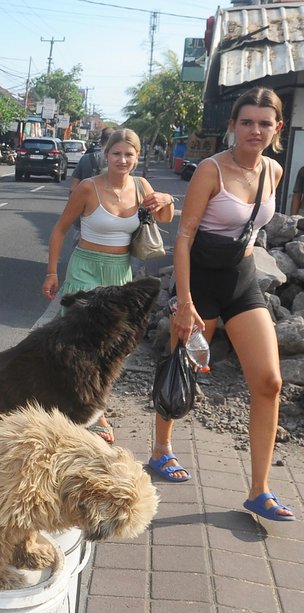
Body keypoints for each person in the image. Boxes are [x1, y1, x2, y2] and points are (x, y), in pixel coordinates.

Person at [148, 86, 296, 521]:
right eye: (246, 122)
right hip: (201, 280)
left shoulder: (274, 171)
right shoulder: (211, 170)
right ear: (233, 125)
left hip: (243, 281)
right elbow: (185, 239)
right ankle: (161, 448)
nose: (255, 130)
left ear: (277, 128)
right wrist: (185, 301)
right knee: (183, 367)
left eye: (264, 123)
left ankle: (259, 489)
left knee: (269, 382)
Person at [42, 127, 175, 443]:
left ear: (137, 157)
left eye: (129, 154)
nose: (123, 159)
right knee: (78, 342)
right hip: (85, 269)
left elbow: (167, 218)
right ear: (106, 154)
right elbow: (60, 230)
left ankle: (90, 403)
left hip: (120, 273)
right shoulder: (88, 188)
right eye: (117, 153)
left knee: (111, 347)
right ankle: (92, 412)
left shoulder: (142, 187)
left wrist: (167, 198)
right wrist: (51, 273)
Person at [68, 127, 114, 196]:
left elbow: (73, 188)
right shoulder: (121, 162)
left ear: (100, 142)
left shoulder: (85, 159)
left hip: (86, 202)